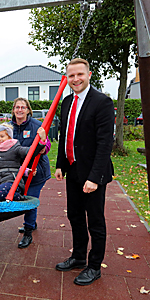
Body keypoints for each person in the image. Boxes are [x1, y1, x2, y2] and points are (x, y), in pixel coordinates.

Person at [54, 58, 114, 286]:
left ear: (89, 75)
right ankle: (79, 256)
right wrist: (61, 164)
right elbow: (65, 135)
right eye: (71, 76)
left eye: (80, 74)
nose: (76, 79)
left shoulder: (102, 102)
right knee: (75, 216)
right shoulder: (67, 101)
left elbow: (104, 144)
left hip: (93, 174)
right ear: (67, 78)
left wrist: (94, 178)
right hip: (73, 169)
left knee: (95, 221)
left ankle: (94, 266)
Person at [10, 97, 52, 249]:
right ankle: (31, 223)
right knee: (23, 198)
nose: (20, 110)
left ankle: (28, 232)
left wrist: (42, 147)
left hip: (36, 171)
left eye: (23, 107)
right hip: (19, 171)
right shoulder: (9, 127)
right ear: (13, 110)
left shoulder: (37, 126)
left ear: (28, 110)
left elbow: (47, 146)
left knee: (30, 200)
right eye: (17, 107)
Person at [0, 123, 46, 205]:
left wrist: (41, 143)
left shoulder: (15, 148)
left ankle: (19, 197)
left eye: (2, 136)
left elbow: (30, 152)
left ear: (9, 137)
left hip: (12, 182)